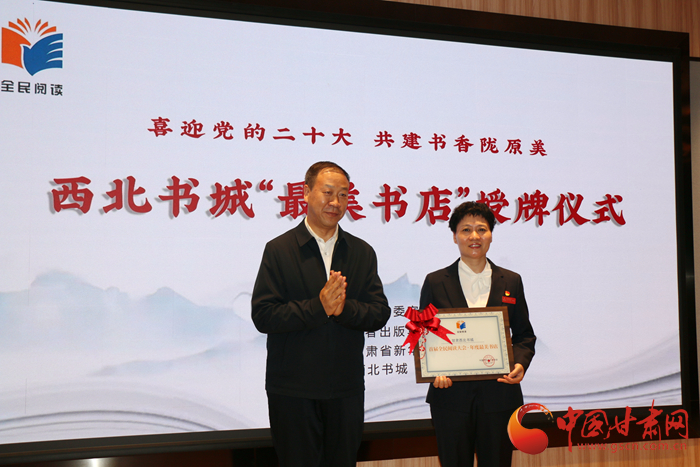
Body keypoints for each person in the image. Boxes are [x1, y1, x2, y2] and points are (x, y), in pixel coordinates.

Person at [251, 161, 390, 467]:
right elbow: (264, 315)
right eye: (328, 192)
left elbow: (379, 312)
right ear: (306, 193)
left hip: (345, 390)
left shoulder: (361, 252)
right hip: (292, 391)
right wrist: (319, 307)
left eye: (343, 195)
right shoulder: (279, 249)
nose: (335, 202)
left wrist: (344, 309)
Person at [420, 201, 536, 467]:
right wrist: (433, 370)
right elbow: (424, 335)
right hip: (450, 397)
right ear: (455, 236)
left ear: (491, 235)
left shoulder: (512, 281)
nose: (474, 236)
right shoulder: (435, 282)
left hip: (499, 396)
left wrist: (519, 364)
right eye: (466, 230)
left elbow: (524, 335)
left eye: (482, 229)